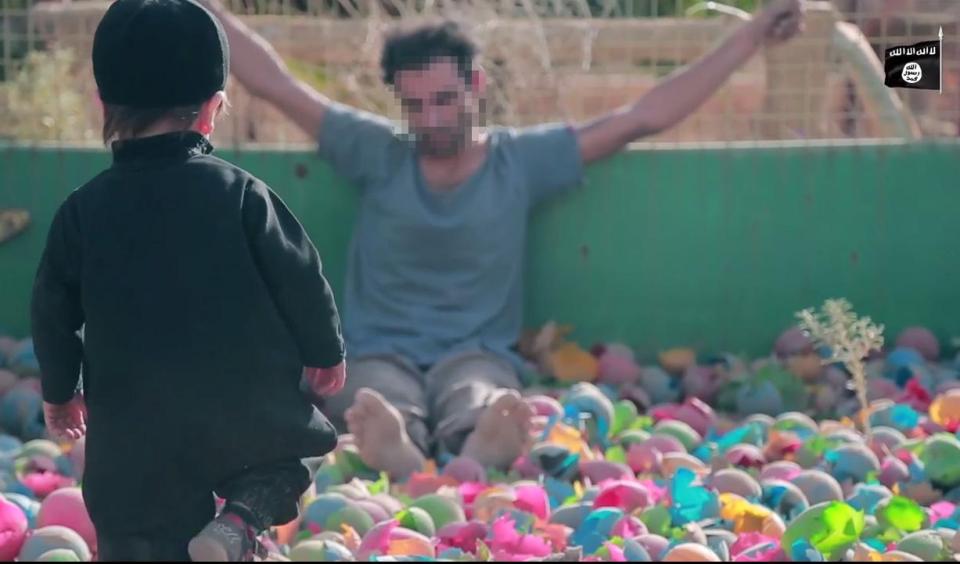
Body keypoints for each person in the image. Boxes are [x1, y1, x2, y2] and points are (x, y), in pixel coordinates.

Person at [200, 0, 803, 480]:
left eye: (445, 100)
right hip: (380, 348)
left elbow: (643, 116)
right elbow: (276, 83)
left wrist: (750, 37)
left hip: (476, 349)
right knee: (376, 394)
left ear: (476, 85)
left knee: (481, 394)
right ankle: (398, 446)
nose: (432, 119)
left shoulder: (521, 161)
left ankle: (477, 443)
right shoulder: (377, 150)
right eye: (415, 106)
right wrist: (201, 8)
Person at [30, 0, 348, 561]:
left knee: (133, 522)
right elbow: (301, 276)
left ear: (102, 104)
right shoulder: (243, 195)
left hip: (132, 423)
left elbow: (51, 308)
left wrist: (61, 391)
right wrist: (324, 353)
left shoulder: (81, 212)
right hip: (242, 414)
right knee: (295, 451)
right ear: (212, 109)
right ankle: (241, 520)